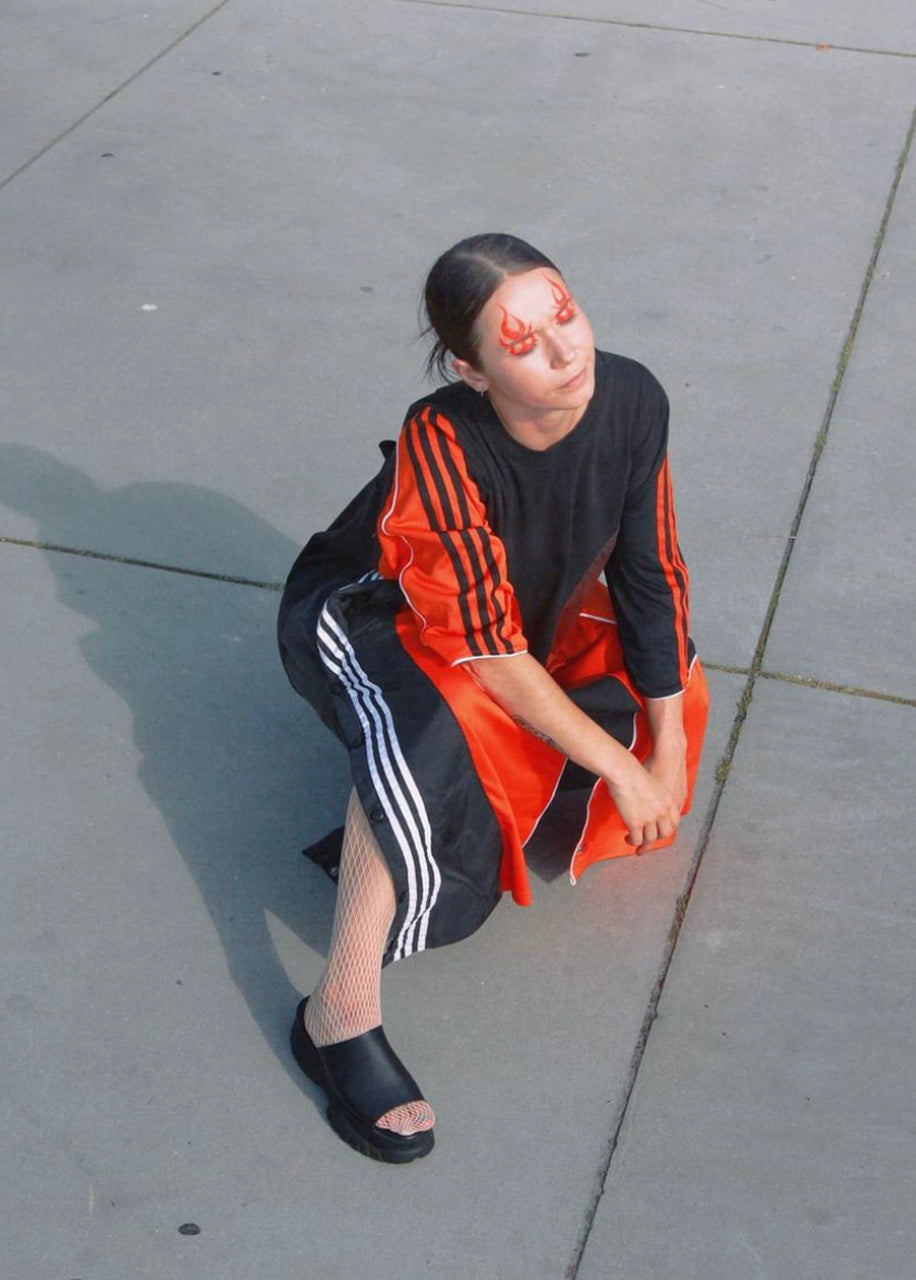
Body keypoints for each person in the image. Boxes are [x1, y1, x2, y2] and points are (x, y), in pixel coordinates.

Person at [277, 233, 709, 1164]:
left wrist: (663, 750)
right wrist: (615, 770)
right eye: (524, 345)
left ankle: (442, 798)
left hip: (520, 618)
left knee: (669, 680)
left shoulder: (633, 396)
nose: (566, 353)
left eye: (566, 316)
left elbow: (651, 573)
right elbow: (487, 652)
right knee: (435, 718)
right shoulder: (442, 436)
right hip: (368, 611)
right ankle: (338, 1008)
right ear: (472, 371)